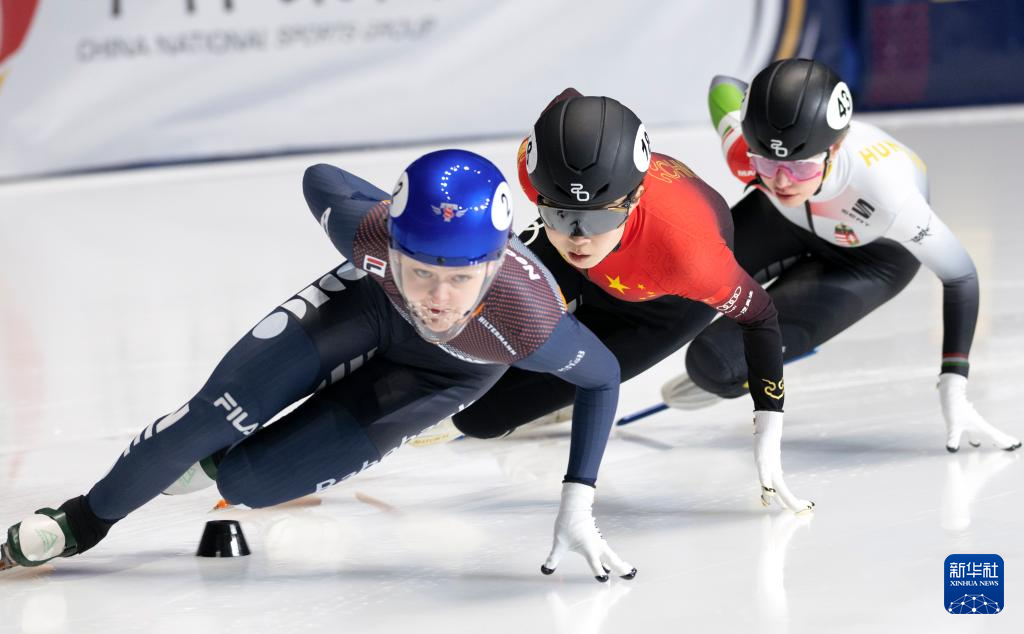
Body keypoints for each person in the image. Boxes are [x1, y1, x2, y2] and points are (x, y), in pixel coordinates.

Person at [0, 149, 637, 582]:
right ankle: (80, 521)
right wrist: (392, 224)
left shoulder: (529, 321)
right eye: (420, 272)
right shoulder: (367, 232)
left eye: (462, 279)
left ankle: (217, 463)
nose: (438, 300)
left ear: (496, 267)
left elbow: (603, 377)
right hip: (368, 305)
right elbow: (320, 175)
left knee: (249, 484)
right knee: (208, 419)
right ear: (390, 244)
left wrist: (577, 502)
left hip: (447, 374)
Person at [424, 89, 814, 514]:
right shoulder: (542, 166)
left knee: (480, 417)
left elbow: (760, 317)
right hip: (600, 257)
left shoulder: (690, 257)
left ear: (634, 200)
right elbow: (568, 106)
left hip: (657, 308)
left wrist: (768, 434)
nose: (580, 238)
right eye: (558, 212)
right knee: (466, 314)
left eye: (600, 216)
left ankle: (553, 400)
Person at [661, 58, 1020, 453]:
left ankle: (735, 371)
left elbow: (960, 275)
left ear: (834, 149)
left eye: (801, 167)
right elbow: (723, 84)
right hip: (780, 219)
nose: (782, 180)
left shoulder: (888, 194)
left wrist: (954, 382)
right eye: (767, 162)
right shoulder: (748, 151)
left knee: (712, 363)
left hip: (870, 262)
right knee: (662, 289)